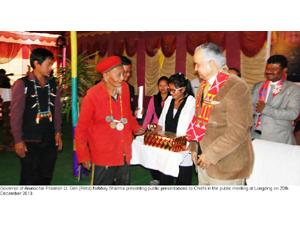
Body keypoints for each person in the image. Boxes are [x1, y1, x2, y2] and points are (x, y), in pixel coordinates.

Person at [187, 42, 254, 185]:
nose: (195, 68)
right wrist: (194, 146)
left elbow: (239, 129)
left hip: (226, 166)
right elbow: (198, 119)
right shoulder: (203, 86)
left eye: (198, 64)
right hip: (202, 161)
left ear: (211, 63)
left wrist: (210, 155)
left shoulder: (236, 86)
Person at [75, 56, 145, 185]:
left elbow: (127, 114)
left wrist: (135, 127)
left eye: (123, 74)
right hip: (103, 155)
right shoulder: (92, 95)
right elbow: (81, 129)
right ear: (106, 76)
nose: (123, 78)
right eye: (119, 75)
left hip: (123, 150)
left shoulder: (124, 88)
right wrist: (83, 155)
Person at [10, 48, 63, 185]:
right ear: (36, 64)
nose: (51, 68)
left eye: (52, 64)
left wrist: (57, 132)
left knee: (46, 175)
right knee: (29, 177)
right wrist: (18, 140)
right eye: (48, 64)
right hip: (29, 140)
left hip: (49, 138)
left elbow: (56, 109)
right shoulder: (22, 84)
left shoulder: (52, 84)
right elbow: (15, 115)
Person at [252, 55, 300, 145]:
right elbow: (251, 108)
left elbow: (293, 114)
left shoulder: (293, 89)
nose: (269, 72)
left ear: (284, 70)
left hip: (278, 139)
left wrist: (266, 109)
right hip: (255, 136)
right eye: (267, 69)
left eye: (274, 69)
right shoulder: (258, 86)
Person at [157, 72, 195, 185]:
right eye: (170, 90)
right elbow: (161, 122)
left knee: (183, 180)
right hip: (167, 145)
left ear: (183, 90)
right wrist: (154, 133)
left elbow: (192, 127)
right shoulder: (169, 100)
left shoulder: (191, 102)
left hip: (183, 146)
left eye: (174, 90)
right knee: (165, 178)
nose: (171, 93)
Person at [142, 76, 169, 184]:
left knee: (164, 156)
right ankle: (156, 177)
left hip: (166, 131)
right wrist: (143, 129)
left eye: (165, 85)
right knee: (152, 155)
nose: (162, 88)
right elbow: (148, 115)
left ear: (169, 86)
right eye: (160, 85)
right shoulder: (154, 98)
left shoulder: (172, 99)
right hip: (154, 130)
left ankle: (165, 177)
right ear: (158, 86)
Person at [0, 69, 14, 151]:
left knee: (7, 122)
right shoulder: (4, 80)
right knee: (7, 122)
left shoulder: (5, 80)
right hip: (6, 100)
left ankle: (8, 142)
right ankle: (7, 143)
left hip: (7, 100)